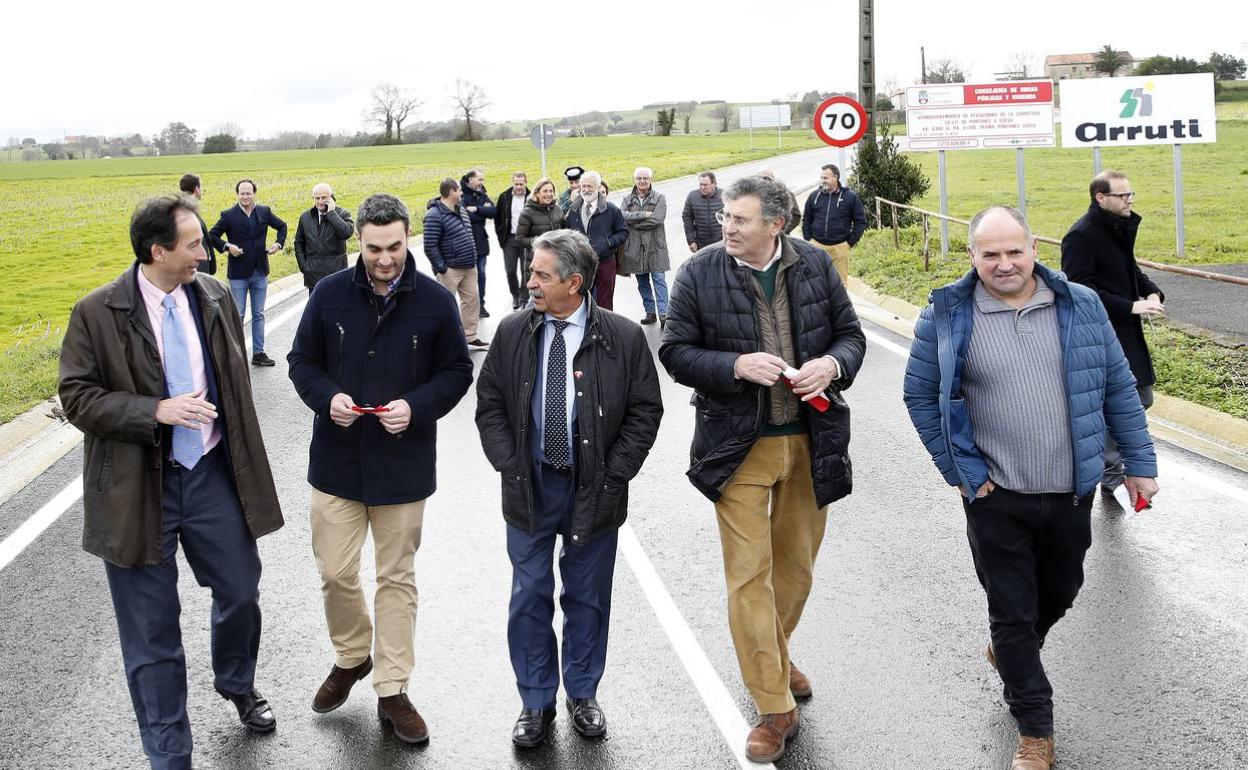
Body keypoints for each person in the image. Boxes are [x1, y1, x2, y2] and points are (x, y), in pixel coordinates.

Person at [902, 206, 1159, 770]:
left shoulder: (1081, 306)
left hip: (1071, 490)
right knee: (1013, 611)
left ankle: (1010, 653)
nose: (1003, 263)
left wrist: (1140, 462)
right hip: (997, 497)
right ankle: (1035, 730)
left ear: (1033, 248)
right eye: (989, 254)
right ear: (972, 256)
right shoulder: (947, 315)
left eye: (1013, 251)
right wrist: (963, 472)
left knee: (1061, 590)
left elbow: (1118, 387)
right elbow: (920, 396)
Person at [59, 194, 284, 770]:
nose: (204, 253)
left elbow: (233, 386)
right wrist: (152, 411)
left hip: (210, 473)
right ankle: (170, 753)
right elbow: (77, 397)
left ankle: (236, 682)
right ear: (156, 251)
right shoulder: (95, 312)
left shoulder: (210, 296)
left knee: (240, 591)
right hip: (138, 488)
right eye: (192, 245)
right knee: (152, 632)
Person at [658, 175, 866, 764]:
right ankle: (774, 706)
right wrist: (733, 365)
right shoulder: (699, 271)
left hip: (810, 439)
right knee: (749, 576)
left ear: (777, 224)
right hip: (736, 447)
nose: (727, 227)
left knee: (795, 570)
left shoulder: (816, 267)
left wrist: (829, 364)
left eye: (741, 219)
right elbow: (674, 351)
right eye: (726, 216)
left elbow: (851, 338)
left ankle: (774, 652)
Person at [287, 193, 473, 745]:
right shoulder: (328, 294)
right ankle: (351, 656)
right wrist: (328, 399)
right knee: (336, 573)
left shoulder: (437, 302)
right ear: (359, 243)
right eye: (374, 248)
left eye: (394, 247)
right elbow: (302, 362)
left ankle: (392, 687)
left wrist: (416, 406)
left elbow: (457, 372)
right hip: (337, 463)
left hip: (403, 466)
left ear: (407, 238)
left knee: (396, 578)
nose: (385, 258)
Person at [475, 228, 662, 749]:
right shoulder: (513, 331)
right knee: (529, 596)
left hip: (594, 492)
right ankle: (535, 702)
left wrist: (614, 473)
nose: (529, 282)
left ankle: (582, 693)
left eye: (540, 275)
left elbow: (646, 412)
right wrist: (510, 465)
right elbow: (489, 402)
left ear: (574, 283)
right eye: (531, 273)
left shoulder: (622, 338)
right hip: (529, 489)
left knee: (586, 597)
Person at [1060, 171, 1164, 505]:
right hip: (1100, 334)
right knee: (1120, 400)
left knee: (1141, 397)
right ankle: (1109, 470)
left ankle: (1108, 464)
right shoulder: (1081, 236)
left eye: (1131, 194)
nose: (1129, 200)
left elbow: (1129, 269)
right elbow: (1080, 289)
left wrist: (1151, 293)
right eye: (1122, 195)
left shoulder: (1118, 228)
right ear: (1100, 198)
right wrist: (1128, 306)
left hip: (1126, 328)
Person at [208, 179, 287, 366]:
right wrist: (228, 247)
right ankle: (236, 354)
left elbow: (282, 226)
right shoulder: (228, 215)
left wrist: (278, 243)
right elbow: (212, 235)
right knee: (239, 314)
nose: (245, 196)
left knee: (259, 313)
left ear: (254, 194)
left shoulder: (264, 211)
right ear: (237, 195)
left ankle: (258, 353)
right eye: (242, 193)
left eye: (248, 193)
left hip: (260, 270)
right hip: (238, 274)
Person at [424, 178, 489, 349]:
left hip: (468, 265)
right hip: (450, 268)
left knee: (471, 300)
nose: (461, 193)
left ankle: (469, 336)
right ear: (451, 192)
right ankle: (441, 339)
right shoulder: (434, 215)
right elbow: (430, 244)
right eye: (459, 190)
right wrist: (441, 268)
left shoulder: (461, 209)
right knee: (444, 304)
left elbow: (468, 234)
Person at [566, 171, 628, 311]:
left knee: (604, 304)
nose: (586, 190)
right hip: (581, 265)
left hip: (605, 264)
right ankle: (586, 330)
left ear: (598, 187)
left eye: (590, 186)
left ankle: (603, 331)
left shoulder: (611, 210)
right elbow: (567, 232)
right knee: (580, 302)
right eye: (584, 186)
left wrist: (608, 243)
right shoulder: (573, 210)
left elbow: (623, 232)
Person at [619, 166, 671, 327]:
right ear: (635, 180)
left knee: (659, 280)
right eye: (639, 178)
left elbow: (658, 219)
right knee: (642, 282)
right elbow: (622, 216)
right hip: (635, 248)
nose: (642, 181)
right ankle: (650, 312)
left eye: (645, 178)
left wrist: (634, 223)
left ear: (651, 180)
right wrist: (643, 215)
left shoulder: (659, 198)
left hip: (655, 247)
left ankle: (664, 314)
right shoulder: (627, 199)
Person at [801, 163, 866, 283]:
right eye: (822, 178)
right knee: (816, 283)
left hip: (840, 248)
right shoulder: (814, 196)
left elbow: (861, 222)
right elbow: (806, 219)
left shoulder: (850, 197)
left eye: (825, 178)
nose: (822, 181)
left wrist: (849, 243)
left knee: (839, 285)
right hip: (816, 246)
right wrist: (809, 240)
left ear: (835, 177)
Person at [294, 183, 355, 293]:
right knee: (316, 310)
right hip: (313, 276)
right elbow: (299, 243)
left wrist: (331, 213)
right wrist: (304, 266)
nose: (320, 201)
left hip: (336, 275)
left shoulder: (343, 214)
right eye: (317, 198)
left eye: (324, 198)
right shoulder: (305, 217)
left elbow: (346, 233)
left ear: (331, 198)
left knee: (337, 309)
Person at [515, 177, 565, 301]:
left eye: (551, 191)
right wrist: (542, 242)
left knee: (553, 298)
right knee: (537, 299)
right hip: (536, 262)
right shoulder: (527, 213)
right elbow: (520, 239)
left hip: (556, 261)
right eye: (545, 191)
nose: (548, 194)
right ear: (537, 193)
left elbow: (564, 232)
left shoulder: (557, 209)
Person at [460, 168, 497, 317]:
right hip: (466, 242)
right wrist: (482, 212)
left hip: (481, 241)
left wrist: (476, 209)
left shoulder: (483, 195)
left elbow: (494, 212)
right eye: (480, 179)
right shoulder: (460, 195)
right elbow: (464, 215)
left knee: (481, 274)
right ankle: (470, 307)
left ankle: (481, 305)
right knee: (468, 277)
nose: (482, 182)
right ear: (470, 180)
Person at [495, 172, 531, 310]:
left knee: (525, 270)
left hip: (525, 238)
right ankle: (515, 295)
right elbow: (498, 218)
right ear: (512, 183)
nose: (519, 187)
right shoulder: (504, 197)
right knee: (510, 270)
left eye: (521, 184)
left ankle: (524, 297)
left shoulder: (531, 197)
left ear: (526, 183)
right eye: (516, 183)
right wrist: (501, 237)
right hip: (509, 239)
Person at [178, 174, 224, 275]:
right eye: (201, 186)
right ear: (197, 188)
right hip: (196, 269)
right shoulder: (187, 210)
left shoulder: (185, 207)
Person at [682, 171, 724, 252]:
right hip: (701, 244)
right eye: (700, 184)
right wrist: (691, 241)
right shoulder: (692, 196)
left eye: (705, 185)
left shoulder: (724, 196)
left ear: (714, 183)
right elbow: (687, 219)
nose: (702, 187)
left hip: (721, 243)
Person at [759, 168, 801, 235]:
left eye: (768, 179)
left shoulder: (785, 193)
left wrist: (782, 232)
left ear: (773, 179)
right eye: (763, 178)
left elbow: (796, 215)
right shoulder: (753, 194)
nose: (765, 181)